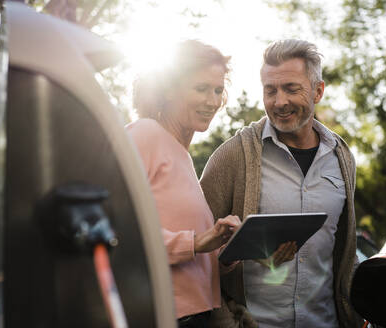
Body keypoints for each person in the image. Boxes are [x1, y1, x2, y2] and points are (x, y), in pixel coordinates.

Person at [200, 39, 363, 328]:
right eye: (270, 90)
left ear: (318, 91)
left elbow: (344, 253)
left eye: (291, 88)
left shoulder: (343, 159)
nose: (279, 102)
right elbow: (196, 253)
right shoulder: (232, 156)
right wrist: (234, 255)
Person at [126, 40, 241, 328]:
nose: (212, 101)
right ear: (168, 89)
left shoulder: (183, 156)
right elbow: (119, 227)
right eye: (201, 89)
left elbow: (192, 254)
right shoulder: (144, 134)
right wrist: (196, 241)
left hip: (196, 316)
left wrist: (225, 252)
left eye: (217, 90)